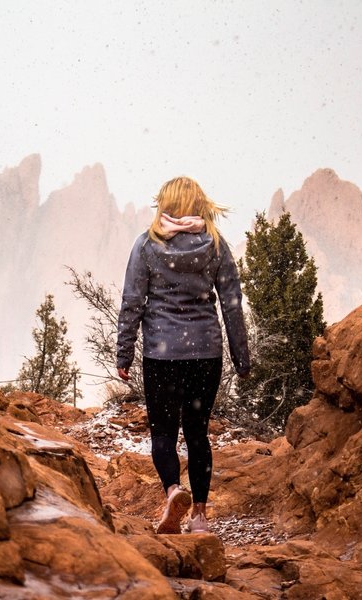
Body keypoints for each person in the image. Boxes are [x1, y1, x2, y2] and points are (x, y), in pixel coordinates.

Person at [116, 176, 250, 534]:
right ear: (199, 204)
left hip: (162, 355)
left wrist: (124, 353)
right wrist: (241, 356)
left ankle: (174, 490)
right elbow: (231, 304)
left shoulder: (146, 245)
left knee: (162, 433)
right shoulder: (216, 245)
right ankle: (201, 517)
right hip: (205, 354)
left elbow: (132, 301)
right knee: (197, 434)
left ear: (165, 204)